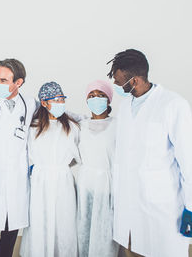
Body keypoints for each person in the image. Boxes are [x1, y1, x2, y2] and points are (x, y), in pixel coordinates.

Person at [108, 49, 192, 257]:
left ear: (134, 81)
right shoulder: (124, 108)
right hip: (129, 206)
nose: (116, 85)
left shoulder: (173, 105)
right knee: (131, 250)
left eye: (119, 80)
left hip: (162, 208)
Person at [0, 59, 37, 257]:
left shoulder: (29, 104)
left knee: (10, 236)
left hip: (17, 182)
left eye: (3, 80)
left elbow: (53, 115)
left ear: (18, 82)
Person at [19, 81, 80, 257]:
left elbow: (78, 156)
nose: (60, 103)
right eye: (56, 99)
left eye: (62, 99)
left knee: (64, 221)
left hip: (63, 180)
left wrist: (62, 166)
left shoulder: (72, 127)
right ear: (44, 102)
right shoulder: (33, 128)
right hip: (40, 181)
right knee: (40, 221)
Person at [76, 80, 119, 257]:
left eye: (101, 95)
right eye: (91, 96)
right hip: (86, 184)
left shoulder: (118, 125)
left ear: (108, 100)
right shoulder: (81, 125)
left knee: (106, 230)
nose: (96, 99)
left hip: (109, 184)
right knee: (84, 227)